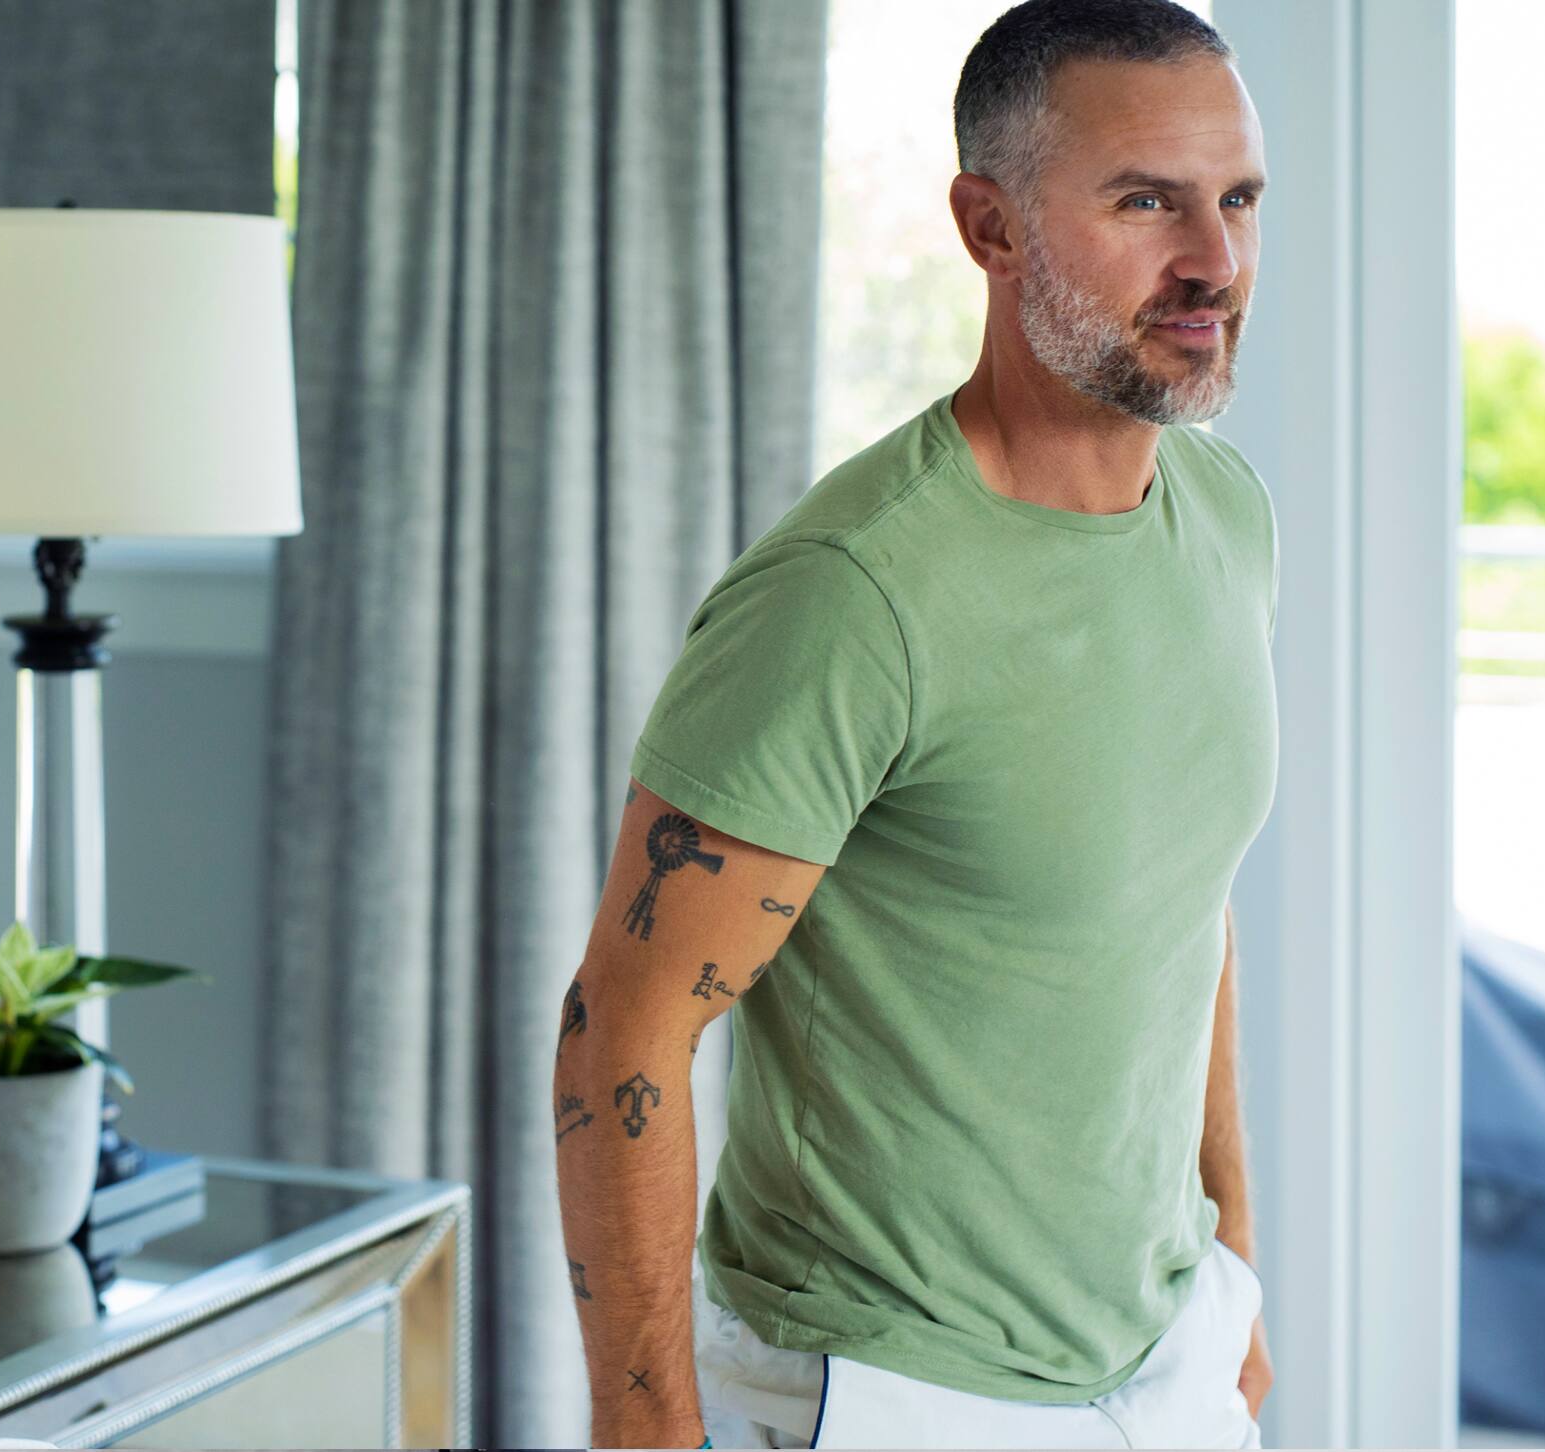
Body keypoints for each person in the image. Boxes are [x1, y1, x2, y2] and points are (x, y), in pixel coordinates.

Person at [551, 0, 1279, 1446]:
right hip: (892, 1387)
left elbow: (1183, 912)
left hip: (1168, 1356)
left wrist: (1236, 1274)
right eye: (1147, 202)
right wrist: (650, 1436)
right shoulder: (851, 596)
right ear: (989, 226)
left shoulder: (1225, 514)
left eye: (1239, 198)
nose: (1216, 260)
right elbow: (619, 1036)